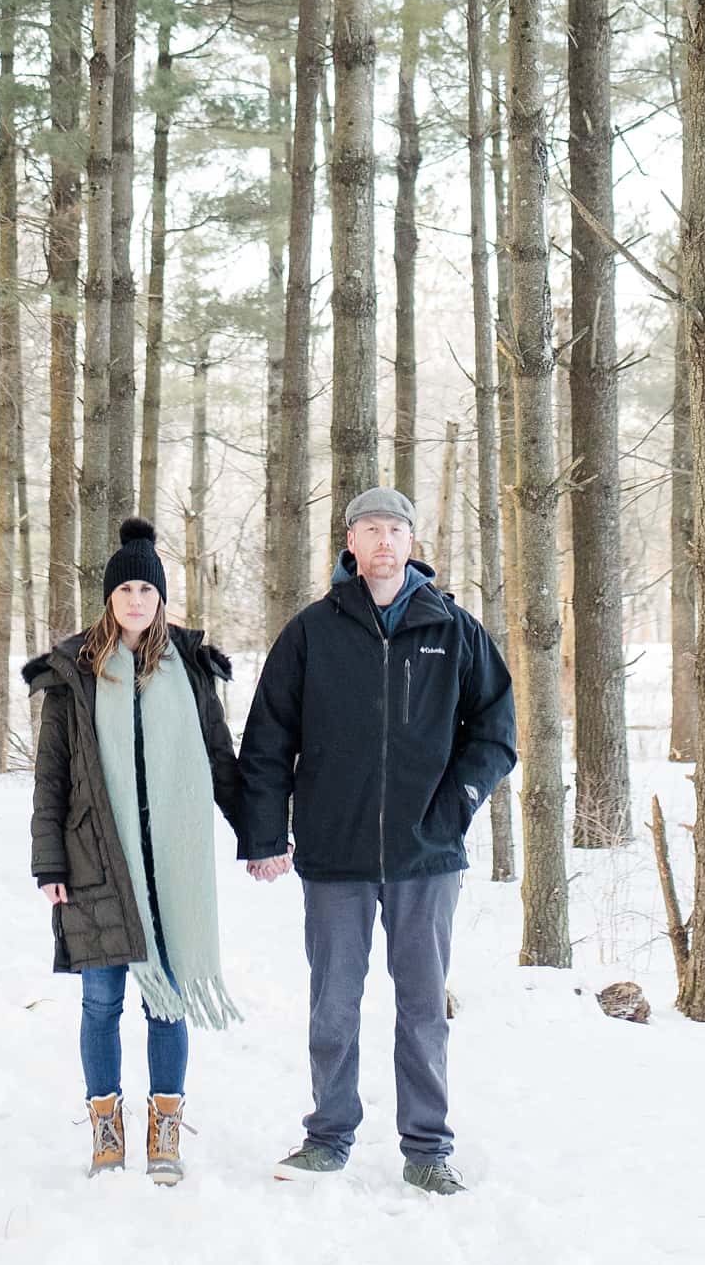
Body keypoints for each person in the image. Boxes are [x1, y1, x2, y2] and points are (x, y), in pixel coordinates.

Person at [238, 486, 517, 1194]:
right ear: (351, 545)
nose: (384, 541)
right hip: (336, 854)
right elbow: (268, 740)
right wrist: (267, 834)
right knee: (334, 1000)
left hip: (427, 855)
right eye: (370, 529)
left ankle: (427, 1148)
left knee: (423, 1006)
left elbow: (494, 730)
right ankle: (328, 1135)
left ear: (412, 543)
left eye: (396, 528)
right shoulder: (312, 633)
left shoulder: (454, 630)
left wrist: (456, 802)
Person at [25, 516, 245, 1182]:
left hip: (169, 871)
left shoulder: (191, 671)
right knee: (101, 1002)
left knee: (167, 1002)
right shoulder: (76, 673)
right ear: (109, 599)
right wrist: (49, 863)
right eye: (124, 591)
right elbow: (52, 775)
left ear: (161, 598)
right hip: (97, 860)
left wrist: (260, 834)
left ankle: (165, 1133)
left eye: (146, 590)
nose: (135, 601)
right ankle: (107, 1132)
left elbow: (219, 759)